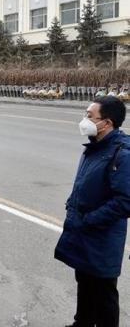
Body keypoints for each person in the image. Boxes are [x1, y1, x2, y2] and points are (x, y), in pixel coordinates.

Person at [55, 96, 130, 327]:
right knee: (84, 280)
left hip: (101, 236)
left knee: (104, 291)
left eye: (90, 116)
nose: (84, 120)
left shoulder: (122, 154)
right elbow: (84, 184)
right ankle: (83, 322)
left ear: (106, 123)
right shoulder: (95, 146)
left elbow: (125, 201)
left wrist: (89, 219)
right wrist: (72, 205)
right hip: (84, 230)